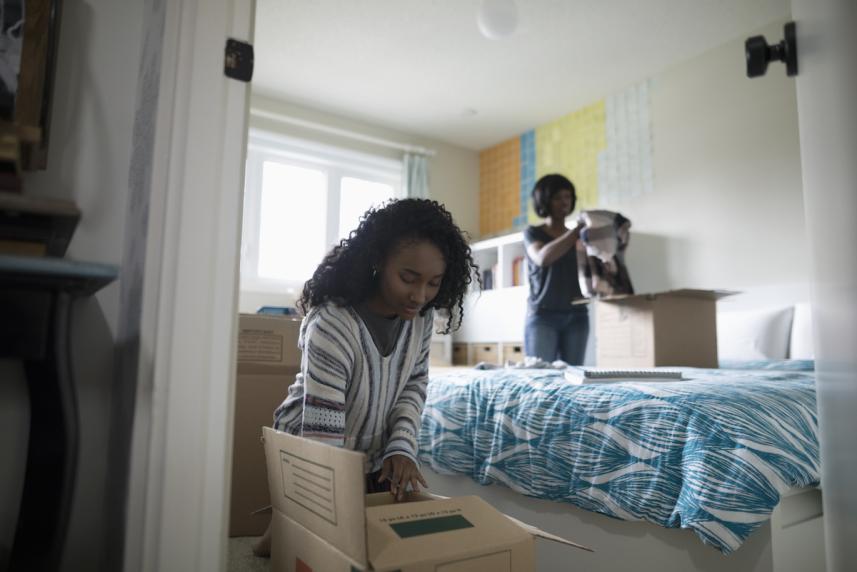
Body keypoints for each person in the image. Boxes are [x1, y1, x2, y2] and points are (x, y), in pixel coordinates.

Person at [254, 198, 477, 556]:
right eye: (408, 278)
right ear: (377, 262)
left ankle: (284, 523)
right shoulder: (332, 325)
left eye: (434, 283)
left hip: (368, 445)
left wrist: (402, 446)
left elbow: (414, 387)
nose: (420, 296)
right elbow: (322, 435)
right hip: (309, 438)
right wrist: (338, 497)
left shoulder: (420, 321)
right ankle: (284, 520)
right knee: (332, 541)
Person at [523, 174, 589, 364]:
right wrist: (576, 232)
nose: (564, 202)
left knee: (573, 378)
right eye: (557, 197)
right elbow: (542, 258)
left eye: (568, 197)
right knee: (540, 378)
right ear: (545, 201)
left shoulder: (579, 236)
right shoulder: (532, 233)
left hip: (577, 315)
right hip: (543, 316)